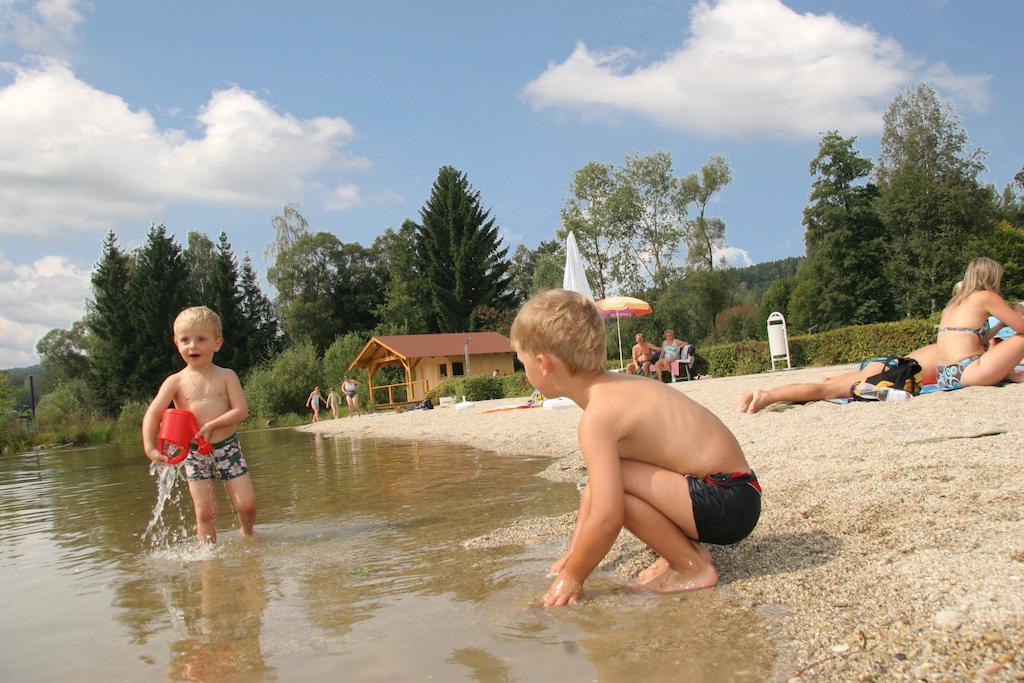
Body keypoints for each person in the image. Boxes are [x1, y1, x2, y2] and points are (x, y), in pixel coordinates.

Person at [509, 289, 759, 607]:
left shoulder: (598, 417)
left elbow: (607, 517)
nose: (523, 370)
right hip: (736, 494)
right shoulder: (616, 389)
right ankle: (684, 552)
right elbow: (594, 492)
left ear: (543, 364)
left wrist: (572, 577)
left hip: (726, 501)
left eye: (522, 362)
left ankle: (690, 567)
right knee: (603, 485)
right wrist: (575, 551)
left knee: (613, 498)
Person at [142, 306, 256, 543]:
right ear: (176, 343)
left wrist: (213, 424)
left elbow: (241, 411)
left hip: (227, 447)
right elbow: (153, 414)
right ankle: (208, 559)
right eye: (185, 340)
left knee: (246, 505)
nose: (192, 346)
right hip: (194, 453)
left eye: (201, 339)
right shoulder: (175, 382)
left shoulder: (227, 376)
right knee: (205, 513)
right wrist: (150, 447)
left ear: (217, 342)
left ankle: (248, 534)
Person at [732, 344, 941, 414]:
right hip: (894, 370)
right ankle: (767, 396)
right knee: (825, 391)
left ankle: (834, 377)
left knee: (829, 386)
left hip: (890, 364)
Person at [935, 256, 1024, 389]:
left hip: (945, 376)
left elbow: (980, 341)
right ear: (992, 277)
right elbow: (1021, 327)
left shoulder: (954, 303)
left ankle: (1007, 374)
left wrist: (1000, 325)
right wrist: (1018, 311)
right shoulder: (986, 296)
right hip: (969, 370)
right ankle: (1007, 374)